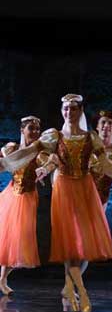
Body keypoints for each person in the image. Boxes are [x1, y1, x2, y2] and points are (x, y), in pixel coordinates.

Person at [0, 94, 112, 312]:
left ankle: (69, 287)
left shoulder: (90, 137)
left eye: (73, 109)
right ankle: (82, 293)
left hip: (85, 189)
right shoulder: (53, 136)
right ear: (62, 111)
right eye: (66, 109)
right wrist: (8, 163)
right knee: (69, 244)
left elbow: (105, 164)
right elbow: (33, 152)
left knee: (83, 243)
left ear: (80, 111)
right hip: (64, 190)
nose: (69, 112)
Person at [0, 116, 53, 294]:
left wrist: (44, 169)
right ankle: (2, 279)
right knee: (6, 239)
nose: (35, 132)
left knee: (19, 240)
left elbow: (48, 163)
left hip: (27, 198)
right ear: (22, 130)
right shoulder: (12, 148)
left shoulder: (39, 152)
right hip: (10, 197)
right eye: (31, 128)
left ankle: (3, 279)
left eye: (38, 129)